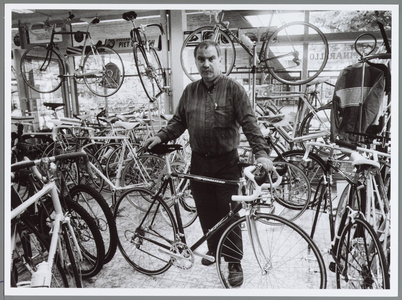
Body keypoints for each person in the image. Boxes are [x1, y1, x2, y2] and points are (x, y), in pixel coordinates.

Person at [144, 40, 273, 287]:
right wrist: (160, 136)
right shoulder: (190, 91)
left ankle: (234, 262)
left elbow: (250, 124)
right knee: (206, 210)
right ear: (196, 62)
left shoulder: (234, 90)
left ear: (220, 60)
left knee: (229, 214)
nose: (206, 64)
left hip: (226, 162)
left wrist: (262, 154)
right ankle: (214, 250)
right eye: (201, 59)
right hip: (199, 162)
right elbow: (178, 122)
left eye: (211, 58)